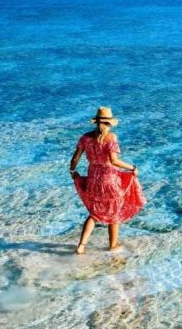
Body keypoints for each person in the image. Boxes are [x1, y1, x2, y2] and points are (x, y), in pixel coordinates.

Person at [69, 106, 146, 254]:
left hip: (93, 177)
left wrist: (72, 171)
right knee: (114, 211)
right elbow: (114, 161)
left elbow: (75, 159)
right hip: (109, 178)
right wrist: (132, 167)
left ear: (96, 122)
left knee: (94, 213)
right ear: (109, 123)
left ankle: (81, 245)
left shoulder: (85, 138)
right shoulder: (110, 138)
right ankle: (113, 245)